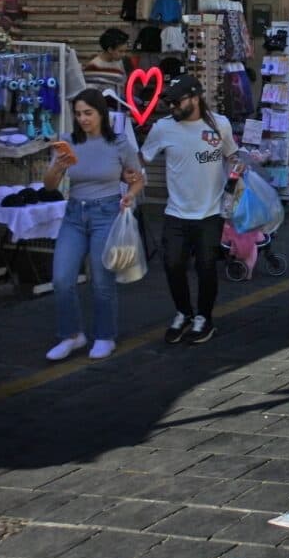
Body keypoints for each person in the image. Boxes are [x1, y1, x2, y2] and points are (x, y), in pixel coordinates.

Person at [43, 89, 145, 361]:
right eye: (78, 114)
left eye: (88, 113)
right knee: (62, 279)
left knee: (102, 280)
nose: (83, 119)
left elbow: (137, 178)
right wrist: (56, 167)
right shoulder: (67, 141)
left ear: (101, 113)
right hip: (75, 212)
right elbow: (50, 186)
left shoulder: (119, 143)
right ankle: (72, 335)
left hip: (107, 211)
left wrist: (130, 195)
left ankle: (105, 335)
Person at [142, 76, 237, 346]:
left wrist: (240, 165)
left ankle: (204, 318)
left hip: (210, 212)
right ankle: (183, 312)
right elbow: (143, 157)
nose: (172, 107)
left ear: (195, 98)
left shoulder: (220, 124)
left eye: (177, 101)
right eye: (169, 102)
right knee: (173, 265)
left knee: (206, 267)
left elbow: (232, 154)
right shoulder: (163, 128)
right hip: (176, 212)